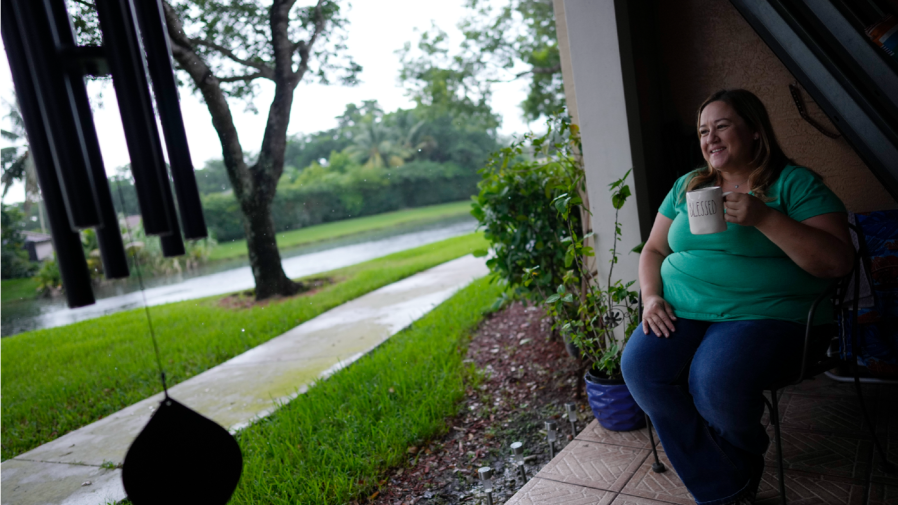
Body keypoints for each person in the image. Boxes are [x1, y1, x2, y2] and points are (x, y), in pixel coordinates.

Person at [620, 89, 854, 505]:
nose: (710, 138)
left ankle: (728, 475)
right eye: (703, 131)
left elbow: (837, 262)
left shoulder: (794, 184)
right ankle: (727, 485)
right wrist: (651, 297)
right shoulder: (689, 185)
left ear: (755, 132)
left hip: (767, 314)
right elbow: (654, 250)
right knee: (641, 368)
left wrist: (764, 217)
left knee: (713, 378)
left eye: (722, 126)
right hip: (684, 307)